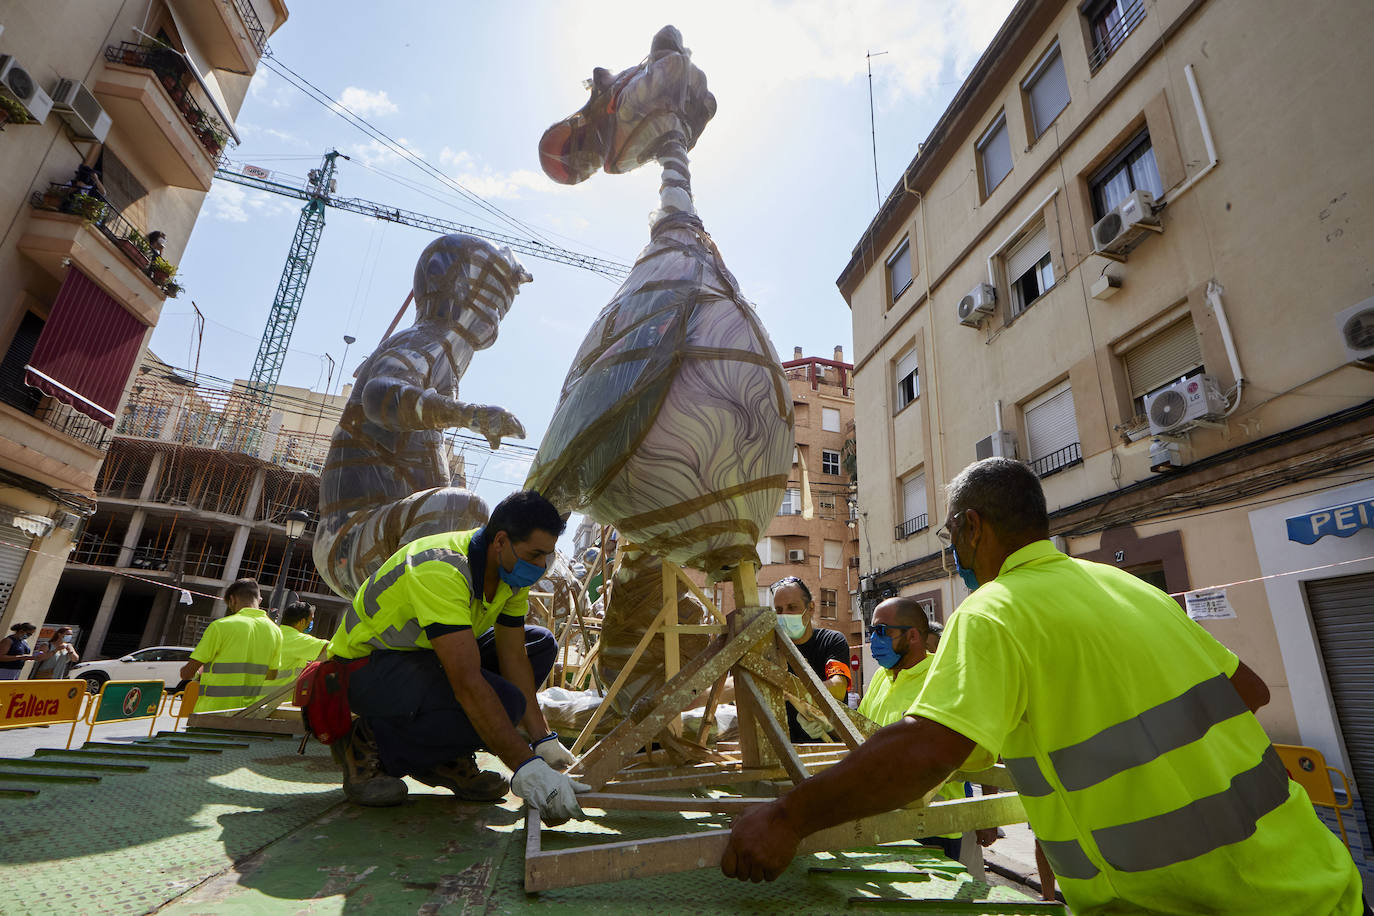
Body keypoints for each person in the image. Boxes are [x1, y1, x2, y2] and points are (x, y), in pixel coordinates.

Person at [722, 458, 1365, 916]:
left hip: (1187, 902)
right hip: (1317, 882)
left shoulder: (996, 609)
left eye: (950, 536)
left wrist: (787, 818)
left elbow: (925, 752)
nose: (954, 552)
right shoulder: (1131, 589)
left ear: (972, 528)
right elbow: (1248, 691)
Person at [327, 489, 586, 824]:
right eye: (535, 554)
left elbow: (514, 658)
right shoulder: (442, 568)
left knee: (540, 645)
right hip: (364, 669)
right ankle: (367, 743)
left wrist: (543, 741)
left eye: (546, 557)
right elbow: (466, 681)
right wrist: (527, 768)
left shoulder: (511, 575)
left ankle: (445, 757)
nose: (540, 567)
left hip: (418, 661)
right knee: (505, 701)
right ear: (501, 541)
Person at [858, 596, 992, 862]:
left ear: (913, 637)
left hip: (933, 824)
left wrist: (986, 816)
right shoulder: (879, 678)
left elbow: (978, 743)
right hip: (883, 817)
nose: (875, 639)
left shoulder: (944, 677)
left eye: (883, 632)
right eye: (872, 632)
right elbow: (862, 735)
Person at [179, 579, 283, 713]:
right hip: (248, 713)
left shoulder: (220, 626)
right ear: (260, 600)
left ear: (233, 600)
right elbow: (272, 675)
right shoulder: (275, 631)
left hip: (211, 712)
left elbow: (187, 674)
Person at [771, 576, 850, 742]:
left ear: (811, 607)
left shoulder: (832, 641)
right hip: (786, 750)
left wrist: (794, 692)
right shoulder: (772, 649)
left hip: (830, 750)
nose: (785, 615)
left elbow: (838, 687)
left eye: (792, 607)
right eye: (779, 610)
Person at [271, 601, 326, 687]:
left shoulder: (274, 634)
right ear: (302, 622)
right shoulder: (297, 640)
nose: (311, 624)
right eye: (310, 620)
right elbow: (331, 648)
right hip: (274, 698)